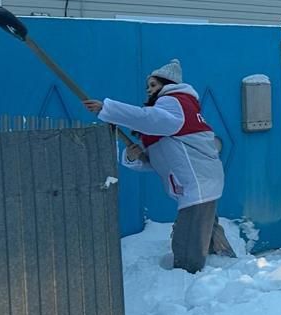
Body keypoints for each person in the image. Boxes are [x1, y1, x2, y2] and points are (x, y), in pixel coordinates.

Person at [83, 58, 233, 273]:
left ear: (168, 84)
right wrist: (135, 157)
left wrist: (107, 109)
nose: (149, 90)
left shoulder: (175, 102)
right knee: (206, 230)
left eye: (153, 85)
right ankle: (227, 267)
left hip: (197, 182)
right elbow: (159, 161)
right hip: (199, 181)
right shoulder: (168, 114)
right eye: (148, 86)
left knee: (188, 237)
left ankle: (187, 276)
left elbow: (147, 118)